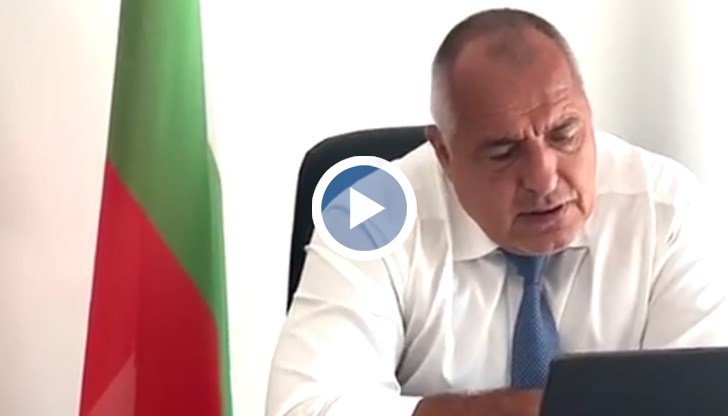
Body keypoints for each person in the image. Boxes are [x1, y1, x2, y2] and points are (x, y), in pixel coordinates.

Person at [265, 8, 728, 416]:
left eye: (565, 134)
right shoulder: (370, 215)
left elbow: (706, 401)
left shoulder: (667, 208)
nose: (544, 179)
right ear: (444, 154)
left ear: (588, 113)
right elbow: (305, 407)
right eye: (504, 152)